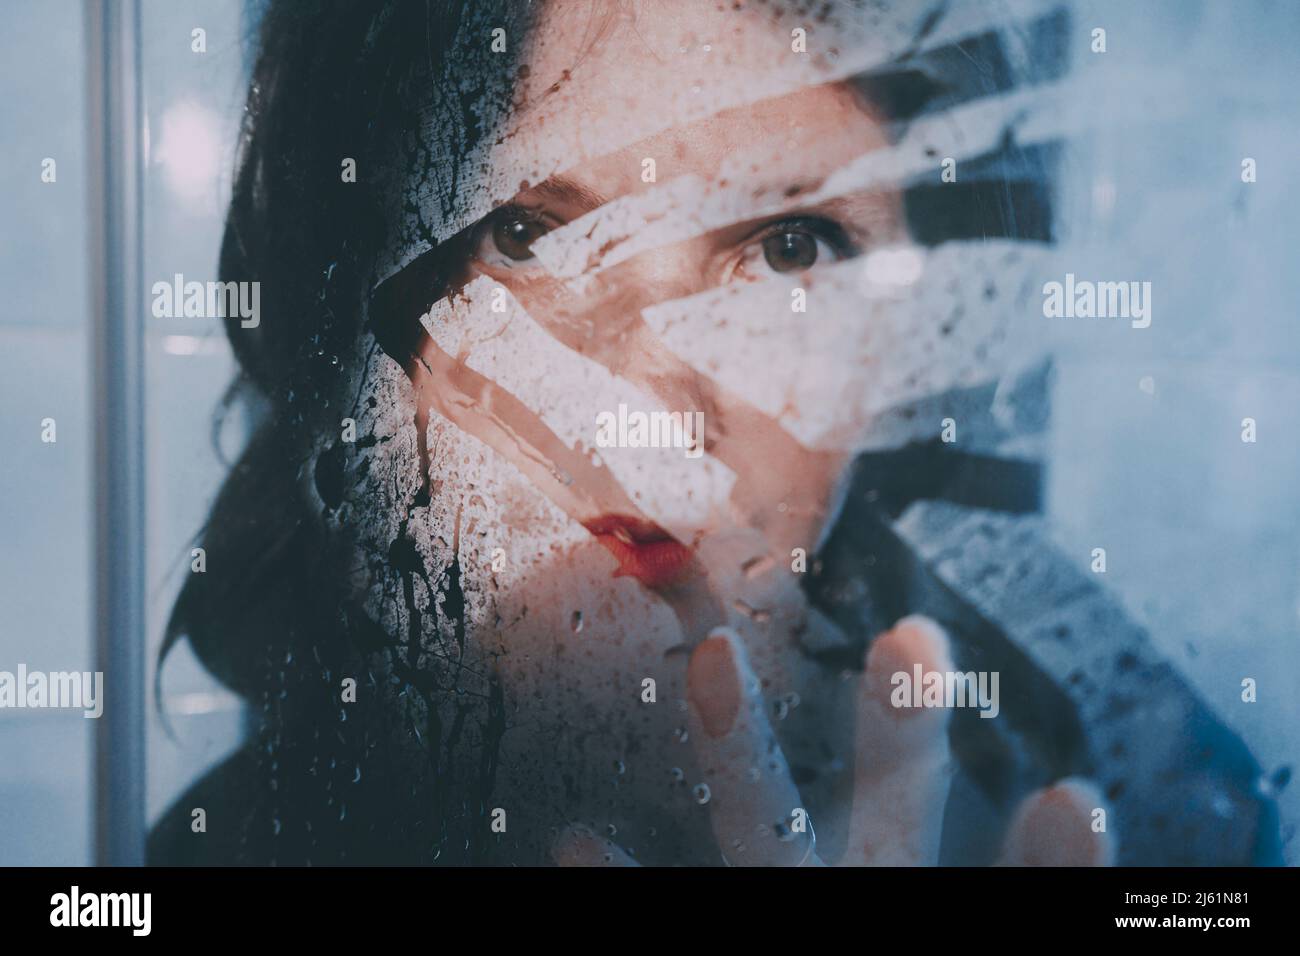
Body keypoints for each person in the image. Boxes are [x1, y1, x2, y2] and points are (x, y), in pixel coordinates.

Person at [150, 0, 1277, 866]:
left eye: (793, 248)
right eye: (528, 235)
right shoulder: (239, 840)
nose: (659, 417)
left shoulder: (1153, 824)